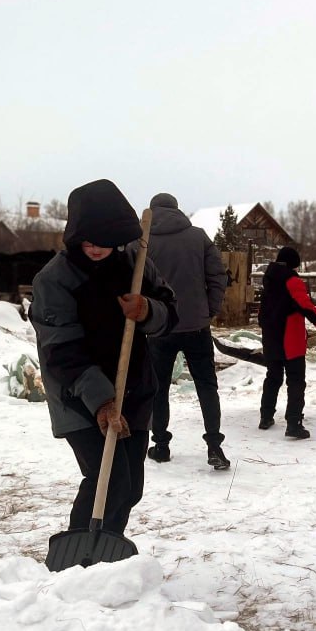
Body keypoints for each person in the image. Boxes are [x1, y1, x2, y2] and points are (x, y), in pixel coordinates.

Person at [30, 179, 177, 536]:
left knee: (129, 489)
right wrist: (102, 402)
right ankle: (81, 557)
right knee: (109, 482)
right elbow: (61, 350)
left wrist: (147, 311)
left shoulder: (135, 264)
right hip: (79, 397)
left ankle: (108, 552)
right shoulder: (55, 279)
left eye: (105, 242)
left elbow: (170, 313)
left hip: (134, 389)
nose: (96, 249)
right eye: (89, 241)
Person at [145, 192, 231, 469]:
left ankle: (160, 445)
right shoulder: (198, 236)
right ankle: (215, 447)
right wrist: (210, 309)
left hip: (159, 327)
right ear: (176, 209)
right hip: (196, 325)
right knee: (207, 386)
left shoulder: (143, 240)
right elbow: (218, 274)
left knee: (158, 389)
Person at [257, 246, 316, 439]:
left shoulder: (269, 279)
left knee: (273, 378)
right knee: (296, 381)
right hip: (290, 338)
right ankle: (294, 423)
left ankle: (265, 417)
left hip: (271, 337)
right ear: (293, 265)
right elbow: (305, 305)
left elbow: (262, 313)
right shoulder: (292, 280)